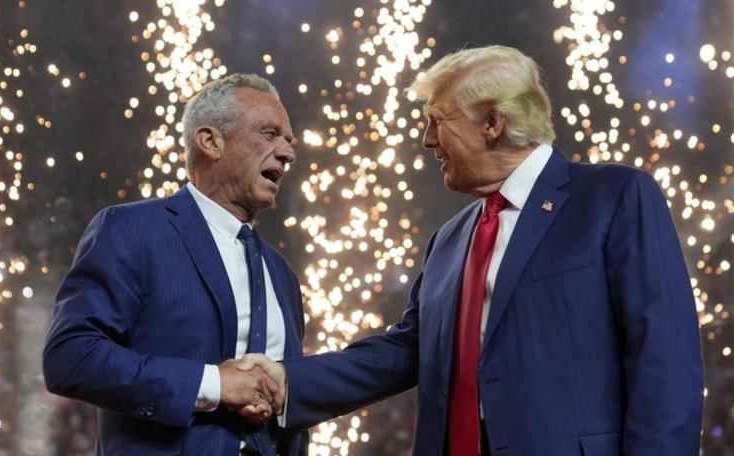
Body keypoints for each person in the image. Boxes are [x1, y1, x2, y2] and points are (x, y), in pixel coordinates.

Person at [240, 45, 704, 455]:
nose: (426, 140)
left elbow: (665, 362)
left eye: (437, 121)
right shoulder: (450, 238)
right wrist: (286, 382)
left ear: (493, 123)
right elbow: (406, 350)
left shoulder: (613, 197)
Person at [43, 73, 306, 455]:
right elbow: (71, 357)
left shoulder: (282, 274)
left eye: (289, 141)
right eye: (269, 134)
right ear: (210, 141)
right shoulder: (133, 230)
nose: (287, 153)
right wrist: (214, 384)